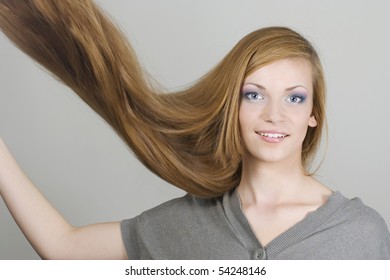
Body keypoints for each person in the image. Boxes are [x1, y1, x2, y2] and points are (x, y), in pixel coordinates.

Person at [0, 0, 389, 260]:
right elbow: (63, 248)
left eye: (294, 98)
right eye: (254, 95)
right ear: (230, 105)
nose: (275, 114)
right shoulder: (186, 224)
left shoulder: (362, 233)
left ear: (313, 114)